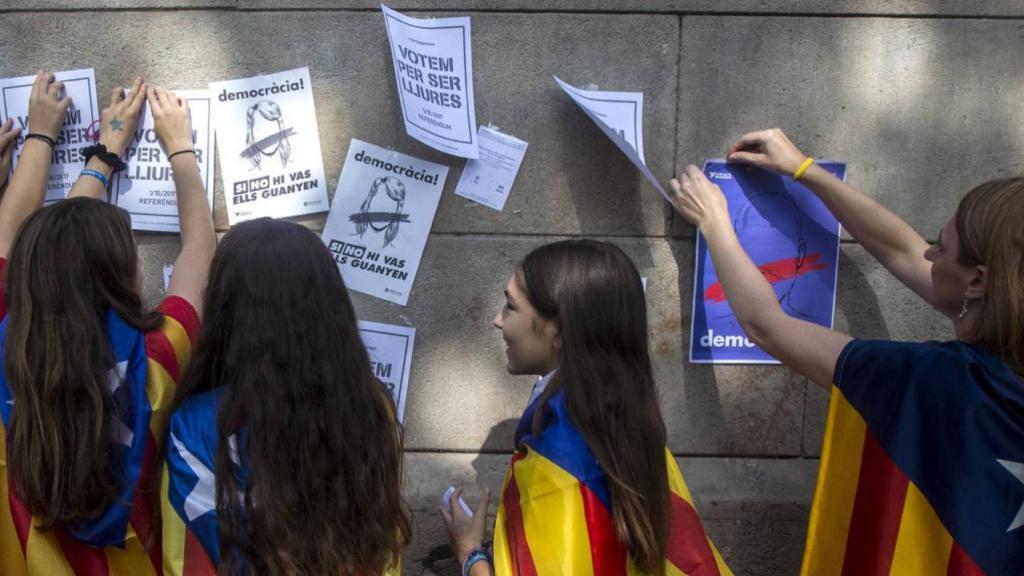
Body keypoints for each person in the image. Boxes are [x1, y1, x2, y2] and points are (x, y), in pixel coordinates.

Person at [670, 128, 1024, 575]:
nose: (930, 252)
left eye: (942, 246)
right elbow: (905, 252)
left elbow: (770, 326)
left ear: (978, 281)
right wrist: (805, 171)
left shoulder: (937, 382)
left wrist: (714, 223)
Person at [0, 71, 215, 575]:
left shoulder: (5, 344)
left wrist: (51, 141)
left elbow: (16, 245)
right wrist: (181, 149)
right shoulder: (158, 357)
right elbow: (201, 253)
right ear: (124, 275)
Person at [441, 239, 732, 576]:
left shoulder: (555, 457)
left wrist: (470, 554)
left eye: (511, 306)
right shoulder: (632, 427)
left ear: (559, 330)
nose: (497, 320)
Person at [161, 218, 411, 576]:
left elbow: (184, 561)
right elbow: (383, 552)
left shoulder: (195, 425)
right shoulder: (371, 408)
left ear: (224, 308)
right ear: (330, 306)